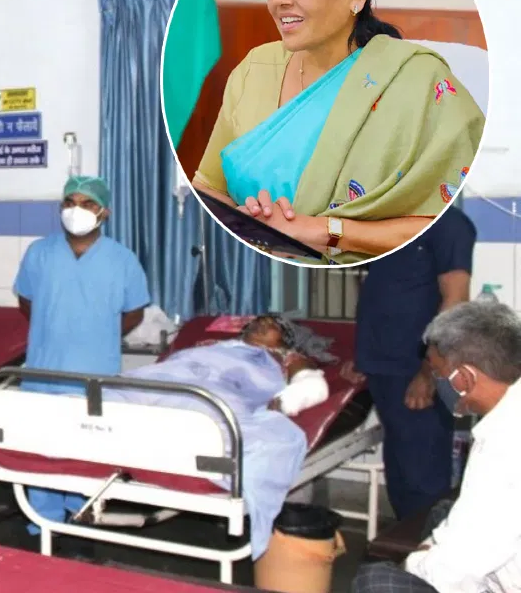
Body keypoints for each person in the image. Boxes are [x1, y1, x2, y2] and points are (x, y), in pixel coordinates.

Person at [191, 0, 484, 264]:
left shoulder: (419, 81)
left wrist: (322, 230)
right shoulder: (255, 68)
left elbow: (447, 224)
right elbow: (208, 188)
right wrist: (250, 225)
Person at [77, 315, 332, 559]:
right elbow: (177, 364)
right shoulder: (213, 345)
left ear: (286, 338)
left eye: (272, 324)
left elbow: (313, 386)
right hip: (164, 379)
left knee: (202, 412)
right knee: (107, 397)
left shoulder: (286, 357)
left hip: (218, 390)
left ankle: (156, 429)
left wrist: (287, 401)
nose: (261, 324)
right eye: (258, 321)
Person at [12, 174, 151, 533]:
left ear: (105, 212)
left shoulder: (122, 259)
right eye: (70, 202)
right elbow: (26, 301)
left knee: (86, 449)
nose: (77, 210)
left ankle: (82, 515)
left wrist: (98, 335)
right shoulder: (39, 253)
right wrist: (54, 328)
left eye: (88, 203)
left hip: (94, 372)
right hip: (43, 371)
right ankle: (43, 521)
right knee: (41, 450)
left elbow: (134, 312)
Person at [353, 300, 521, 593]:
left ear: (465, 378)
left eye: (437, 373)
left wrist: (414, 564)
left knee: (376, 582)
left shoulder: (505, 447)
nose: (435, 381)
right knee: (441, 514)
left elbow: (456, 571)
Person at [348, 204, 475, 521]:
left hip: (417, 369)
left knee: (423, 474)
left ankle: (427, 545)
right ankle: (406, 542)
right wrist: (362, 355)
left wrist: (428, 373)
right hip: (384, 367)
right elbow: (384, 291)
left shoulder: (449, 224)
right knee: (401, 470)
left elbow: (456, 303)